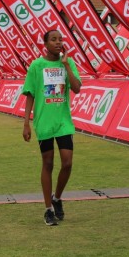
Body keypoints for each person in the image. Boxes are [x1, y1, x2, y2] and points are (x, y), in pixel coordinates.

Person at [22, 29, 82, 226]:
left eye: (60, 39)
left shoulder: (68, 63)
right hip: (44, 122)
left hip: (63, 122)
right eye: (53, 39)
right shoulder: (36, 66)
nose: (58, 42)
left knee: (67, 163)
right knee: (47, 163)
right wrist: (26, 123)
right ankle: (48, 209)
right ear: (45, 44)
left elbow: (77, 88)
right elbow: (30, 94)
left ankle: (57, 198)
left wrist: (66, 65)